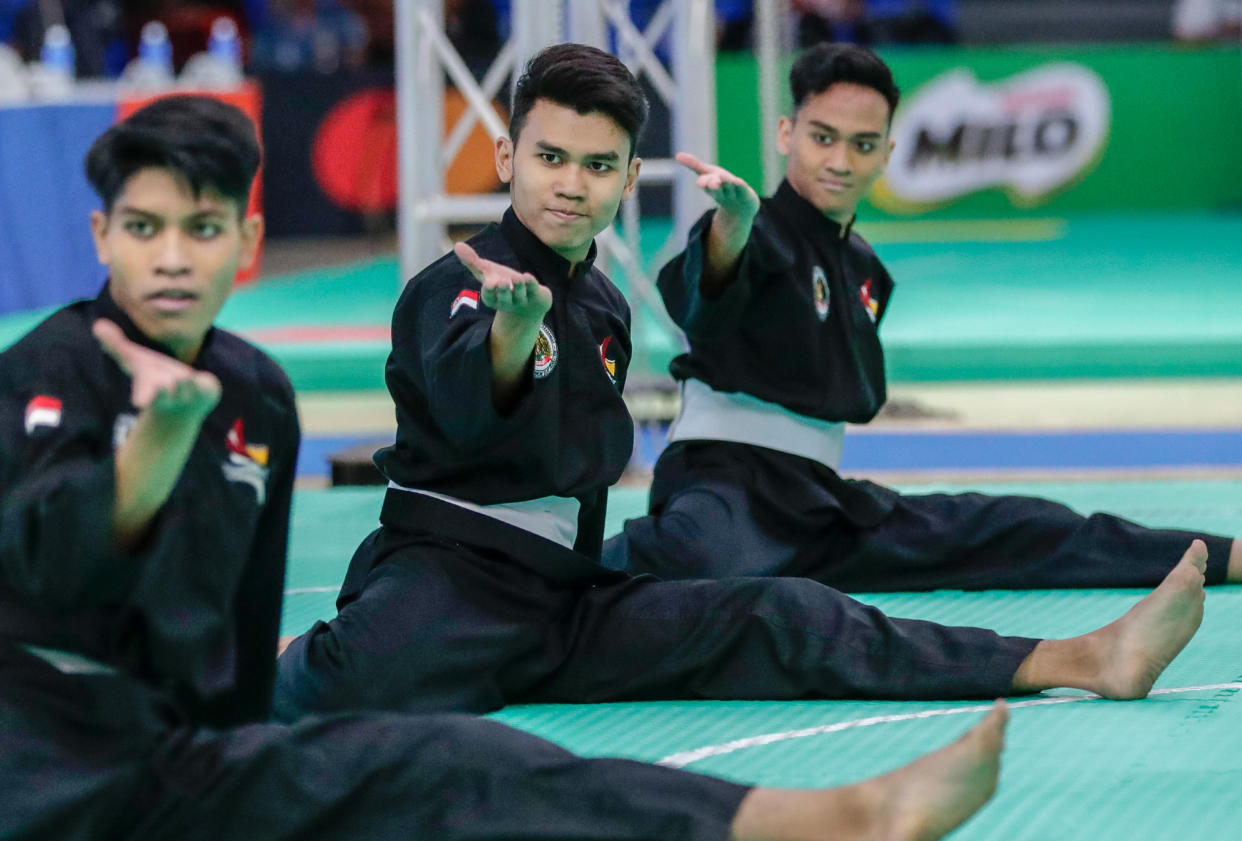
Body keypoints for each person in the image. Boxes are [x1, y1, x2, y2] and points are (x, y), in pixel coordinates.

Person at [0, 93, 1024, 841]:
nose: (174, 257)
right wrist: (149, 454)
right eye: (145, 229)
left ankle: (856, 800)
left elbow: (237, 597)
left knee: (752, 623)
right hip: (418, 604)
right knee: (371, 727)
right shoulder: (52, 369)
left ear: (248, 240)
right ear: (101, 234)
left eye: (203, 228)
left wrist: (223, 752)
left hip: (558, 602)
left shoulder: (255, 388)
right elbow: (46, 553)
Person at [274, 43, 1211, 729]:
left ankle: (1082, 657)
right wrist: (516, 334)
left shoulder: (601, 300)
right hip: (456, 587)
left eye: (598, 166)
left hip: (571, 596)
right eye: (550, 158)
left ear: (629, 176)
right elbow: (487, 396)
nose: (571, 184)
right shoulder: (462, 283)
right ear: (507, 156)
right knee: (287, 690)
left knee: (789, 612)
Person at [600, 42, 1241, 594]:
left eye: (863, 145)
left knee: (1019, 527)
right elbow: (702, 307)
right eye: (822, 137)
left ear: (888, 151)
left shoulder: (864, 269)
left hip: (821, 504)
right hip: (726, 496)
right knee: (654, 584)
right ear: (786, 134)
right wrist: (729, 230)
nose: (841, 161)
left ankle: (1225, 555)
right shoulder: (755, 229)